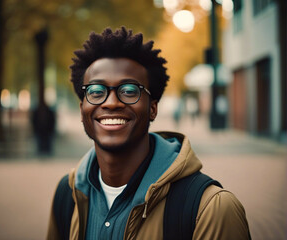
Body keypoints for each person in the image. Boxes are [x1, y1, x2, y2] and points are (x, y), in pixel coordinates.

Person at [47, 27, 250, 239]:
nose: (112, 102)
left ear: (152, 108)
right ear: (82, 110)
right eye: (96, 91)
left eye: (129, 91)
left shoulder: (211, 209)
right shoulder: (67, 195)